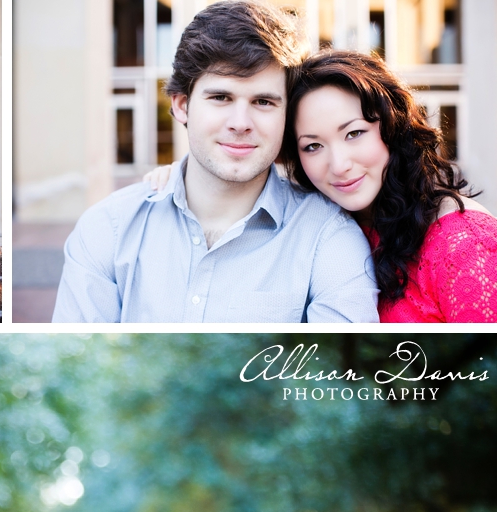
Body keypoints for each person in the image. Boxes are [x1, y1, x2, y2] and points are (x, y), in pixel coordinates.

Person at [51, 0, 378, 323]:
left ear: (285, 115)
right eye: (221, 97)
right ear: (182, 105)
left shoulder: (328, 238)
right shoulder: (108, 229)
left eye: (263, 102)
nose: (240, 123)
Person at [284, 49, 497, 322]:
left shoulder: (464, 244)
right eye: (313, 146)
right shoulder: (320, 233)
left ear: (393, 126)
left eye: (354, 133)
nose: (338, 165)